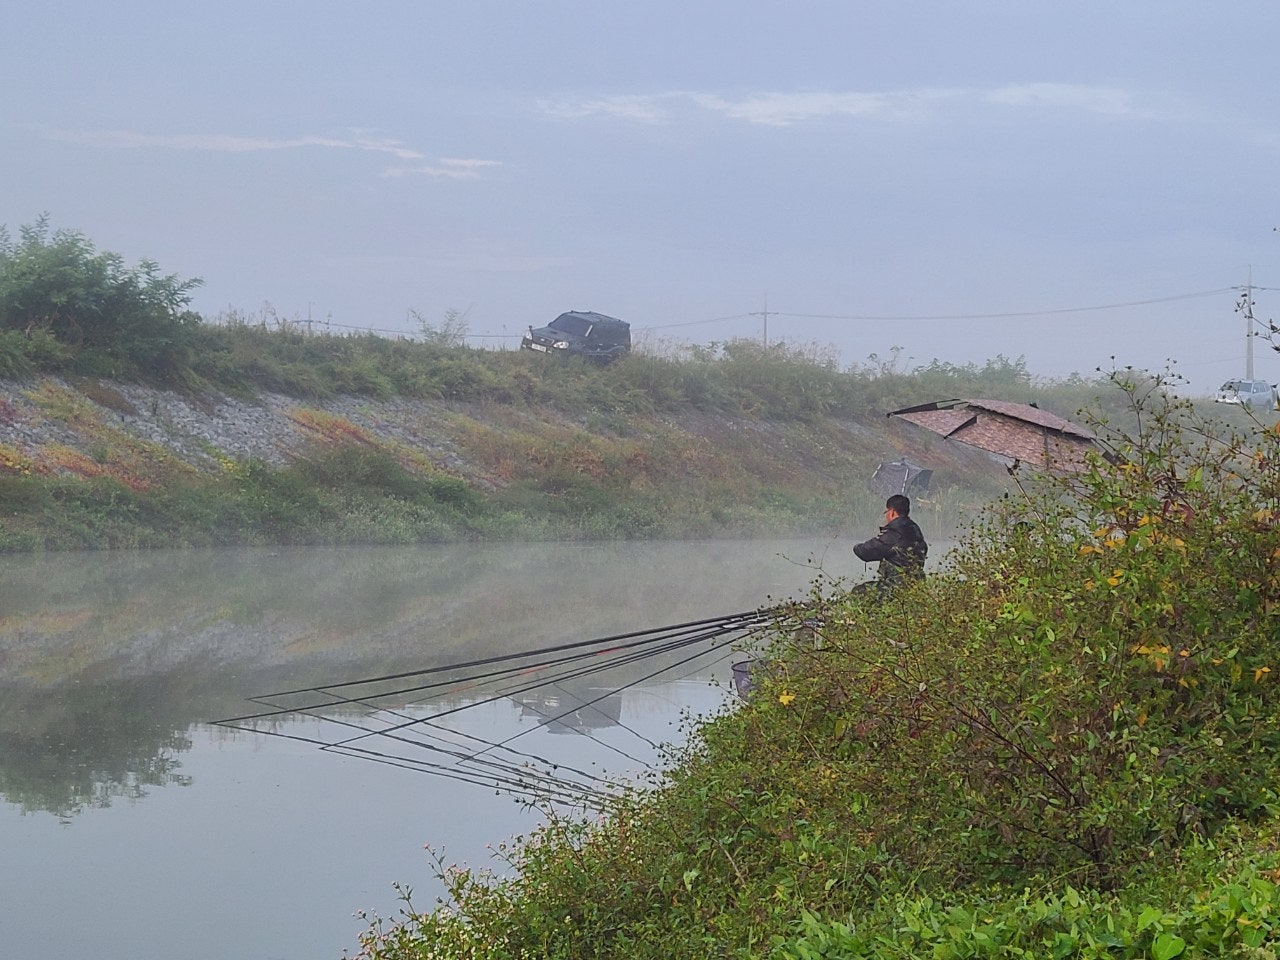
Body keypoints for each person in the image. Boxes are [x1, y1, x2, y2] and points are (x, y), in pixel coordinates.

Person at [852, 494, 928, 596]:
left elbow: (866, 552)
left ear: (892, 512)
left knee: (858, 592)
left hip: (895, 587)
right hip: (916, 585)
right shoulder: (915, 531)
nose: (886, 515)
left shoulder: (894, 531)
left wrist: (856, 547)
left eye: (886, 512)